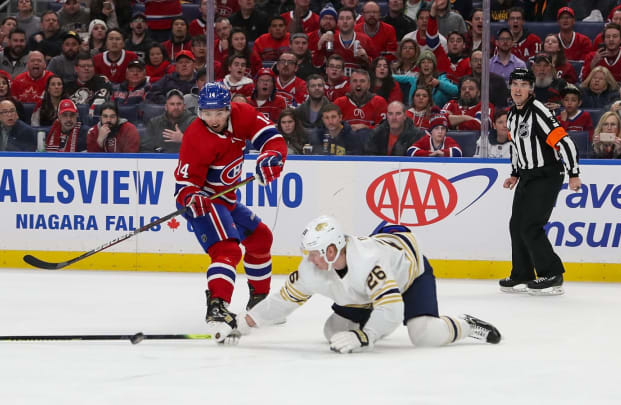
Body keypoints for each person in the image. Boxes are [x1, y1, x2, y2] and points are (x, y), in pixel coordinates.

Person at [237, 215, 502, 352]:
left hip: (409, 275)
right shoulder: (314, 267)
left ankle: (466, 324)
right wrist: (244, 324)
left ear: (333, 249)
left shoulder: (369, 263)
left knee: (425, 336)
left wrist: (366, 337)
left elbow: (392, 309)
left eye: (316, 252)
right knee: (333, 331)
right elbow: (282, 301)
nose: (310, 258)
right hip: (365, 290)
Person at [173, 82, 288, 342]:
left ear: (228, 108)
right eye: (206, 113)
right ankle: (217, 306)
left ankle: (259, 303)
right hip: (202, 201)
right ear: (199, 112)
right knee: (227, 250)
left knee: (261, 238)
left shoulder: (243, 114)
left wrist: (271, 157)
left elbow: (273, 139)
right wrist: (192, 197)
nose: (213, 119)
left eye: (219, 113)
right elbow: (183, 186)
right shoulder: (196, 137)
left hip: (225, 199)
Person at [500, 68, 581, 296]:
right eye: (515, 84)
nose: (518, 89)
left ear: (531, 89)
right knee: (516, 224)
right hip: (526, 176)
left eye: (524, 85)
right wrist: (515, 173)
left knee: (530, 226)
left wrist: (574, 173)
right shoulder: (513, 114)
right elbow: (516, 146)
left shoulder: (539, 112)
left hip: (546, 175)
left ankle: (552, 273)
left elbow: (565, 143)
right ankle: (522, 273)